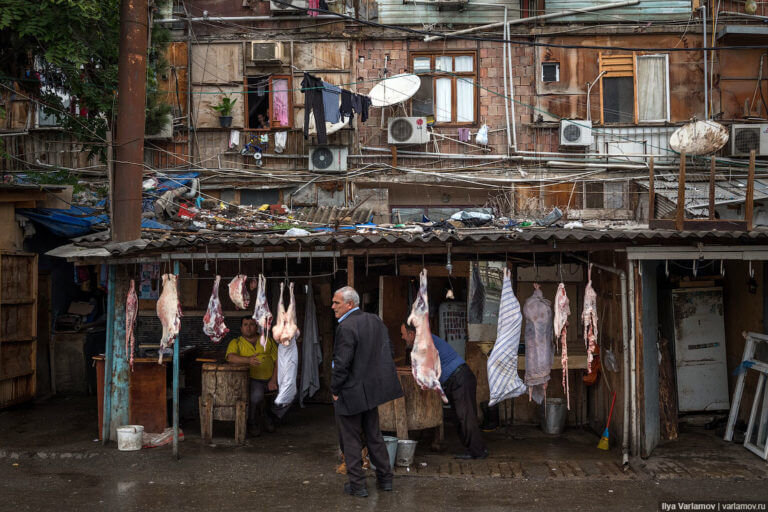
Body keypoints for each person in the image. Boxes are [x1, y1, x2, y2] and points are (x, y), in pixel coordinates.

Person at [331, 286, 403, 498]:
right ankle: (385, 479)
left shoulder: (345, 327)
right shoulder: (375, 321)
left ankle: (357, 485)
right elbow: (387, 351)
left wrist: (335, 389)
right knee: (374, 436)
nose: (333, 306)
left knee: (351, 439)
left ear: (350, 304)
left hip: (351, 391)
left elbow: (341, 363)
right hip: (371, 391)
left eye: (337, 302)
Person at [400, 321, 488, 460]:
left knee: (465, 417)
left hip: (460, 378)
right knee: (460, 417)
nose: (402, 337)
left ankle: (478, 452)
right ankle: (473, 449)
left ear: (411, 334)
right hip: (457, 379)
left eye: (403, 334)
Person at [226, 316, 278, 437]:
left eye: (251, 324)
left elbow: (278, 361)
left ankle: (268, 415)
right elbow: (230, 357)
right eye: (245, 325)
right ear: (241, 328)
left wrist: (273, 380)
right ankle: (252, 421)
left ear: (256, 327)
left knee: (289, 394)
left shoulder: (267, 340)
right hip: (253, 380)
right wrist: (248, 360)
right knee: (256, 396)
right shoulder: (236, 342)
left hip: (271, 379)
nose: (248, 328)